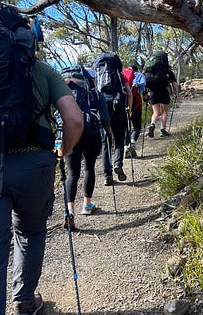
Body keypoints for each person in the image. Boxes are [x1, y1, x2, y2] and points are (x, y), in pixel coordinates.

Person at [0, 13, 83, 315]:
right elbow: (75, 119)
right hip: (34, 163)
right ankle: (24, 302)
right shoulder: (43, 70)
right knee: (30, 233)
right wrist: (62, 151)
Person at [60, 67, 110, 230]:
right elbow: (105, 118)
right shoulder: (96, 94)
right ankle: (87, 205)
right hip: (91, 135)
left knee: (72, 173)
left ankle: (69, 211)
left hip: (70, 134)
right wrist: (107, 133)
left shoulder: (65, 92)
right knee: (89, 169)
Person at [94, 53, 132, 185]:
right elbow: (129, 93)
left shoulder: (97, 76)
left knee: (106, 142)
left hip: (103, 109)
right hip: (118, 106)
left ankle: (107, 177)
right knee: (119, 139)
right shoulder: (120, 75)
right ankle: (117, 163)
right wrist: (129, 108)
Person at [145, 51, 178, 138]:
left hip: (152, 92)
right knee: (164, 111)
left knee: (155, 112)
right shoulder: (167, 71)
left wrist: (146, 96)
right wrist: (175, 93)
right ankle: (162, 130)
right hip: (163, 91)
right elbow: (174, 84)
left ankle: (152, 124)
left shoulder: (150, 70)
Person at [123, 64, 146, 157]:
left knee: (126, 128)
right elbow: (143, 91)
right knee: (136, 127)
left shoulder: (120, 74)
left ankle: (125, 147)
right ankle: (132, 142)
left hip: (123, 105)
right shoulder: (140, 76)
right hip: (136, 105)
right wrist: (146, 99)